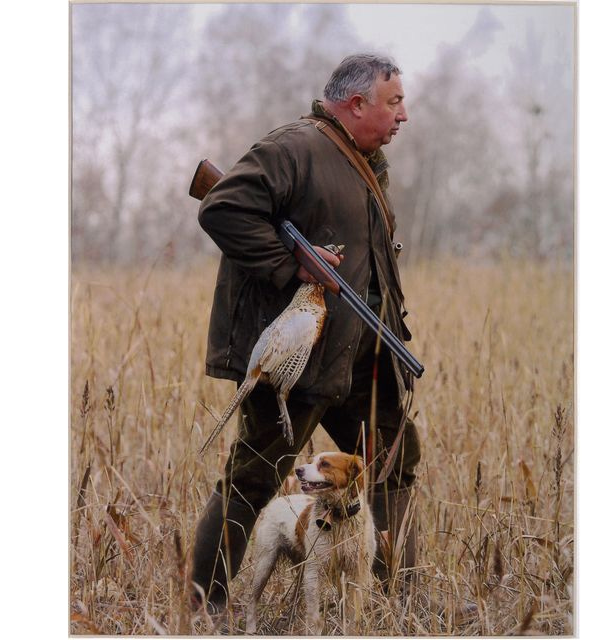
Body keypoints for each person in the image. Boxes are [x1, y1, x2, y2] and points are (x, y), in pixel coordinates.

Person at [190, 53, 421, 614]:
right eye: (393, 102)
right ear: (355, 103)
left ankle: (398, 599)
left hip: (363, 355)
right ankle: (202, 605)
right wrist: (293, 264)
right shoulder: (294, 148)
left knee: (393, 460)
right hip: (302, 358)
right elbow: (222, 208)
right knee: (255, 475)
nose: (404, 115)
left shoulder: (366, 163)